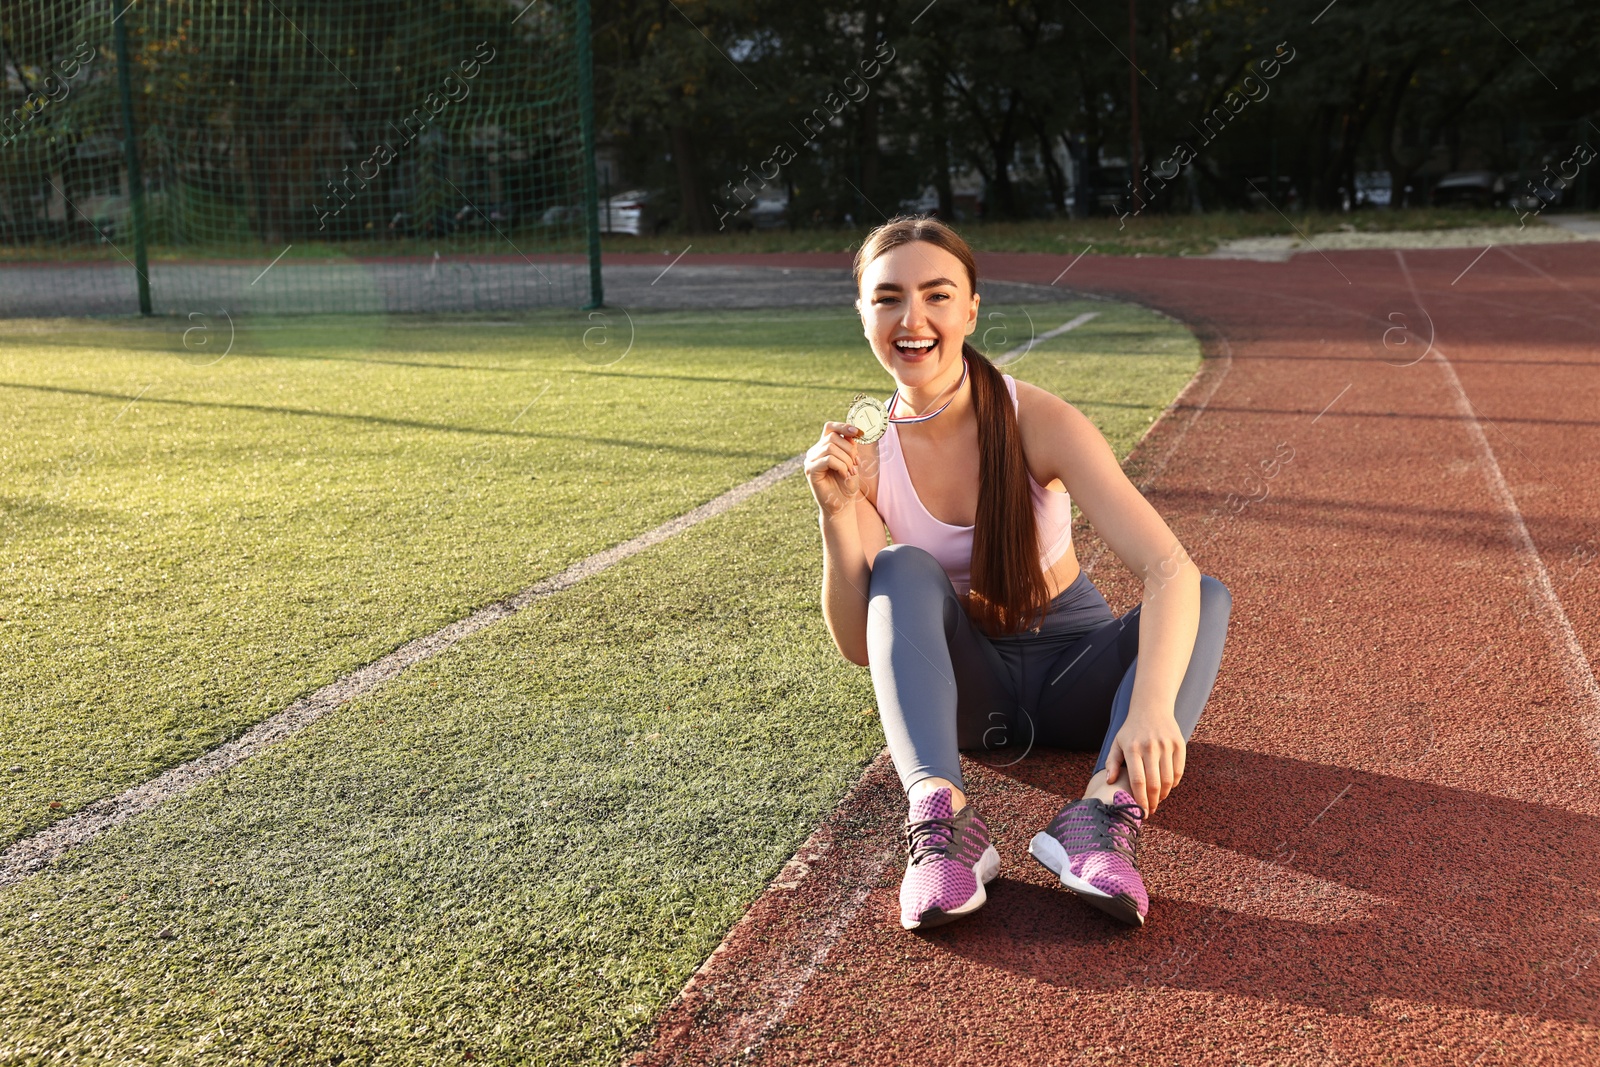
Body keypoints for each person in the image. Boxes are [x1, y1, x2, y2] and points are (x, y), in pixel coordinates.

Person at [805, 217, 1231, 930]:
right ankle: (946, 829)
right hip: (976, 701)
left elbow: (1167, 567)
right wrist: (835, 512)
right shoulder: (865, 453)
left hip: (1079, 681)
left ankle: (1099, 818)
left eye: (937, 295)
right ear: (862, 314)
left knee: (1204, 595)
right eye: (888, 298)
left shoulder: (1036, 418)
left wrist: (1153, 707)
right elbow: (858, 643)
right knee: (903, 567)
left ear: (971, 310)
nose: (913, 319)